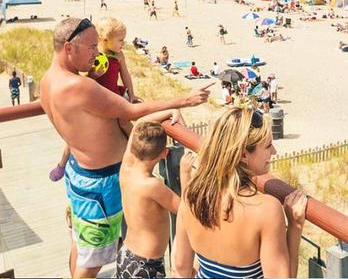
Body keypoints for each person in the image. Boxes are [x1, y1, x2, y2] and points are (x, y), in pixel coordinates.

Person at [40, 17, 213, 279]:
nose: (97, 53)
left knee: (81, 242)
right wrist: (185, 100)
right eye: (91, 47)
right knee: (92, 259)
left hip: (79, 172)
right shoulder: (78, 86)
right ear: (68, 48)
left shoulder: (48, 81)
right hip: (100, 183)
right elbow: (130, 110)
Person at [175, 107, 307, 278]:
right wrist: (295, 227)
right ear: (243, 155)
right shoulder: (266, 210)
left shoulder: (192, 197)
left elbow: (181, 268)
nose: (274, 152)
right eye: (268, 146)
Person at [49, 17, 141, 181]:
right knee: (73, 138)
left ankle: (136, 152)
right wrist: (92, 75)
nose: (123, 44)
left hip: (113, 95)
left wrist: (132, 94)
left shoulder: (119, 56)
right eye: (120, 40)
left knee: (125, 123)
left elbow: (125, 74)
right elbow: (84, 79)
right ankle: (61, 164)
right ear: (106, 40)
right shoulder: (95, 55)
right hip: (95, 97)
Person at [117, 110, 194, 278]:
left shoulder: (127, 168)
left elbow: (139, 123)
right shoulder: (152, 186)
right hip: (146, 265)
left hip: (126, 255)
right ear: (164, 153)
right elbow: (186, 211)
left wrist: (172, 110)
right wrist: (185, 176)